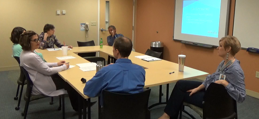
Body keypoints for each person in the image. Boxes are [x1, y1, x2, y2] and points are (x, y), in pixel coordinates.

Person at [158, 36, 246, 119]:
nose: (217, 48)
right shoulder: (223, 63)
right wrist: (197, 88)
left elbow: (241, 96)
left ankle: (167, 116)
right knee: (181, 84)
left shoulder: (235, 70)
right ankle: (167, 115)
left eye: (220, 46)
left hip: (214, 100)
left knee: (181, 94)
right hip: (211, 89)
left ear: (228, 49)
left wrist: (225, 83)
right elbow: (212, 78)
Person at [19, 31, 80, 112]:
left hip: (39, 79)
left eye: (38, 39)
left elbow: (41, 64)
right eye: (35, 40)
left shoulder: (25, 53)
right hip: (43, 84)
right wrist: (64, 67)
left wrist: (57, 63)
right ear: (27, 42)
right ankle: (79, 107)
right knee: (71, 82)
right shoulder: (31, 56)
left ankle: (78, 105)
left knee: (63, 78)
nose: (38, 42)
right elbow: (48, 71)